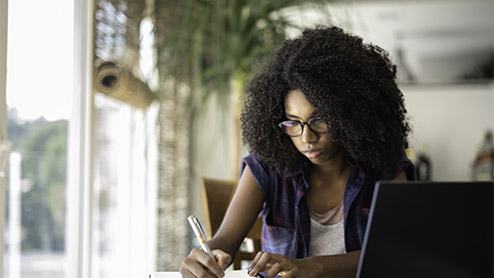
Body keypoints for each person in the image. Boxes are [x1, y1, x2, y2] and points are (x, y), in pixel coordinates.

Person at [180, 26, 415, 278]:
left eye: (320, 120)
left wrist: (313, 266)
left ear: (350, 115)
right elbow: (225, 240)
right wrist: (204, 258)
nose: (307, 137)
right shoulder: (267, 166)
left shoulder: (385, 166)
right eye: (293, 122)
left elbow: (397, 252)